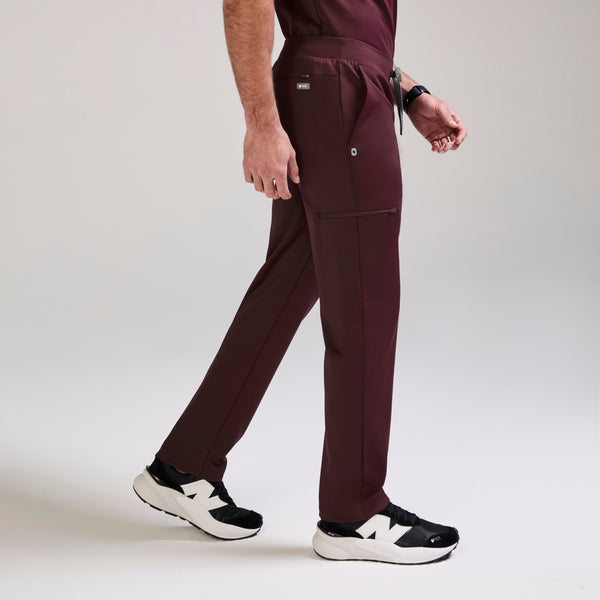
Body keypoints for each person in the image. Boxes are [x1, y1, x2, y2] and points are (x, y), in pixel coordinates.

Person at [133, 0, 467, 565]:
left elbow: (344, 24)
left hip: (342, 87)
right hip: (341, 97)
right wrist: (261, 124)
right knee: (365, 303)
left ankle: (184, 465)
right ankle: (353, 513)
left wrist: (408, 92)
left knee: (285, 288)